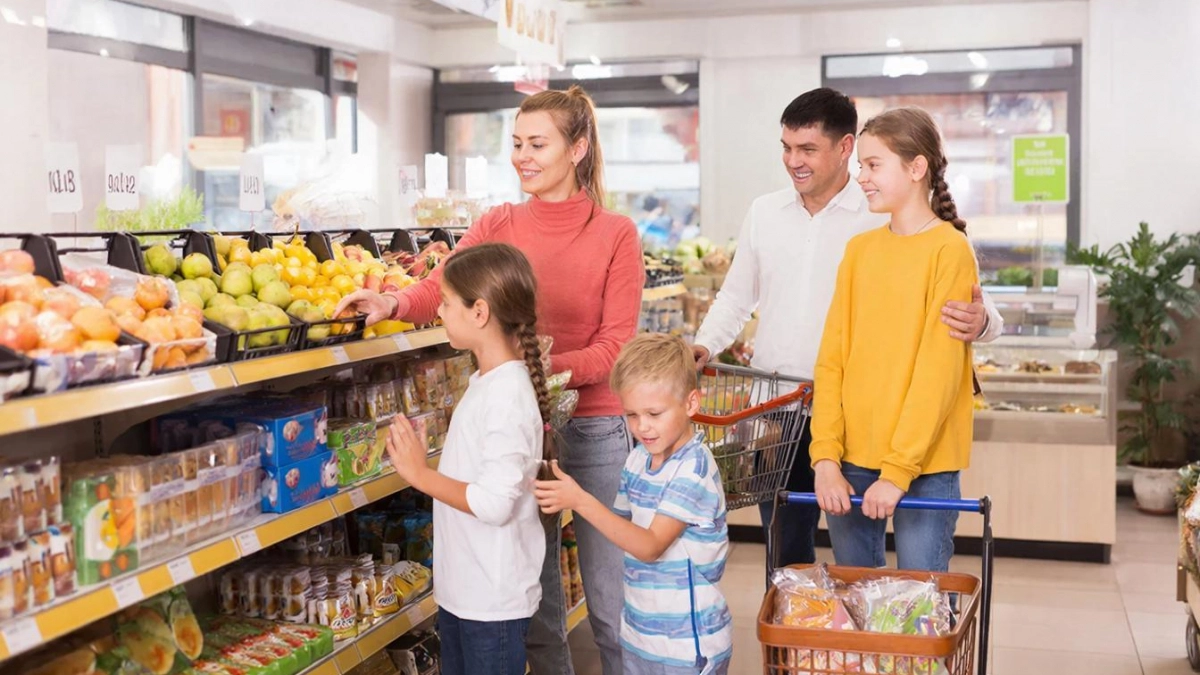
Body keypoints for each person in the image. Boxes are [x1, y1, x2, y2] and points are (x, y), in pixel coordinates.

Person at [336, 86, 644, 675]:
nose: (523, 156)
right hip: (522, 420)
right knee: (537, 597)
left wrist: (535, 372)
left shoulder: (616, 234)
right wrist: (391, 301)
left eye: (538, 144)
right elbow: (446, 284)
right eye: (517, 144)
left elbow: (616, 347)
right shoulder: (500, 222)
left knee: (608, 599)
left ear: (577, 148)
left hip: (594, 427)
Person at [690, 88, 1003, 568]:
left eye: (808, 149)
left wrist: (983, 322)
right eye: (786, 148)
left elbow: (958, 321)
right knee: (786, 552)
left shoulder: (884, 214)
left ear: (844, 148)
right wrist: (703, 346)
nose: (793, 161)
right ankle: (797, 643)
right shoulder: (768, 214)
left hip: (868, 418)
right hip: (781, 408)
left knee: (903, 583)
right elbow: (737, 298)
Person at [810, 107, 979, 572]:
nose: (860, 176)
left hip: (923, 468)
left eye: (872, 164)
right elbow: (832, 361)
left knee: (918, 611)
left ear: (917, 167)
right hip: (850, 461)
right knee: (859, 606)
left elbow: (938, 374)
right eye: (860, 165)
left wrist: (899, 472)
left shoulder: (949, 249)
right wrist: (824, 457)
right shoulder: (859, 251)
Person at [381, 243, 550, 675]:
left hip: (491, 602)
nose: (439, 313)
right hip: (465, 591)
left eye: (446, 303)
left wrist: (420, 474)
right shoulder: (485, 381)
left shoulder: (507, 397)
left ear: (480, 312)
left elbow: (494, 505)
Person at [534, 334, 732, 675]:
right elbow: (621, 529)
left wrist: (580, 500)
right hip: (641, 635)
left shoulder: (693, 470)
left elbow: (650, 545)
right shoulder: (638, 460)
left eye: (654, 413)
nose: (642, 427)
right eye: (631, 415)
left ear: (690, 403)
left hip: (687, 646)